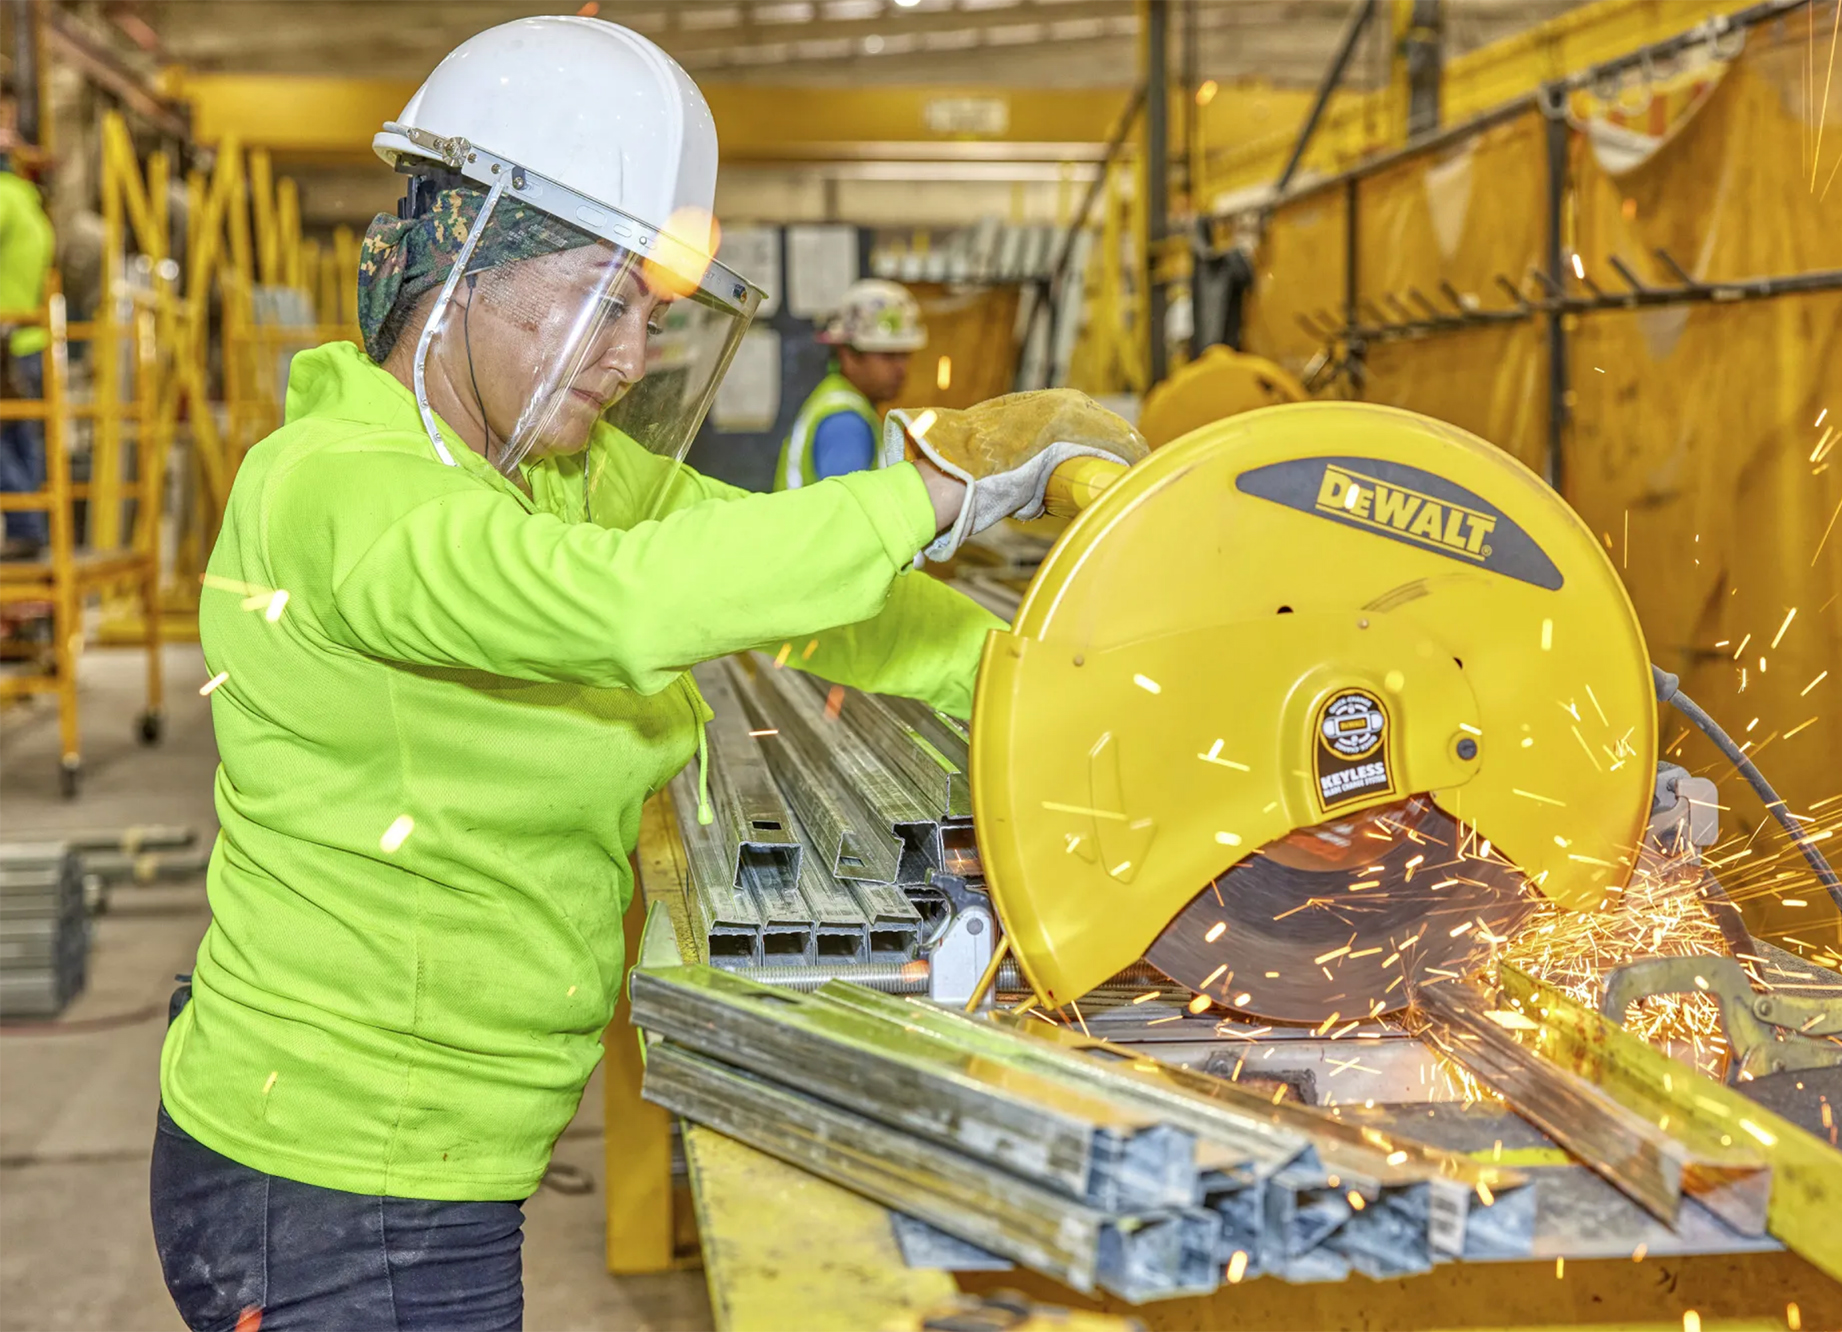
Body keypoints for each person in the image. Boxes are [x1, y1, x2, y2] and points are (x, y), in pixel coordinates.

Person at [148, 17, 1144, 1332]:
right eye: (602, 301)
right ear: (465, 260)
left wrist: (1038, 677)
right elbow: (617, 603)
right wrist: (932, 492)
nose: (629, 361)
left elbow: (769, 579)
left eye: (654, 318)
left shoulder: (551, 467)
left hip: (434, 1158)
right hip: (332, 1177)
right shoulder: (336, 487)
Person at [773, 278, 926, 489]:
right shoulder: (845, 423)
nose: (901, 369)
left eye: (905, 355)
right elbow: (846, 506)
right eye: (888, 355)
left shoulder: (838, 402)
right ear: (848, 355)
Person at [0, 114, 54, 557]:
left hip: (6, 341)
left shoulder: (3, 198)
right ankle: (33, 527)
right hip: (28, 340)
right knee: (22, 439)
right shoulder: (27, 201)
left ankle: (25, 526)